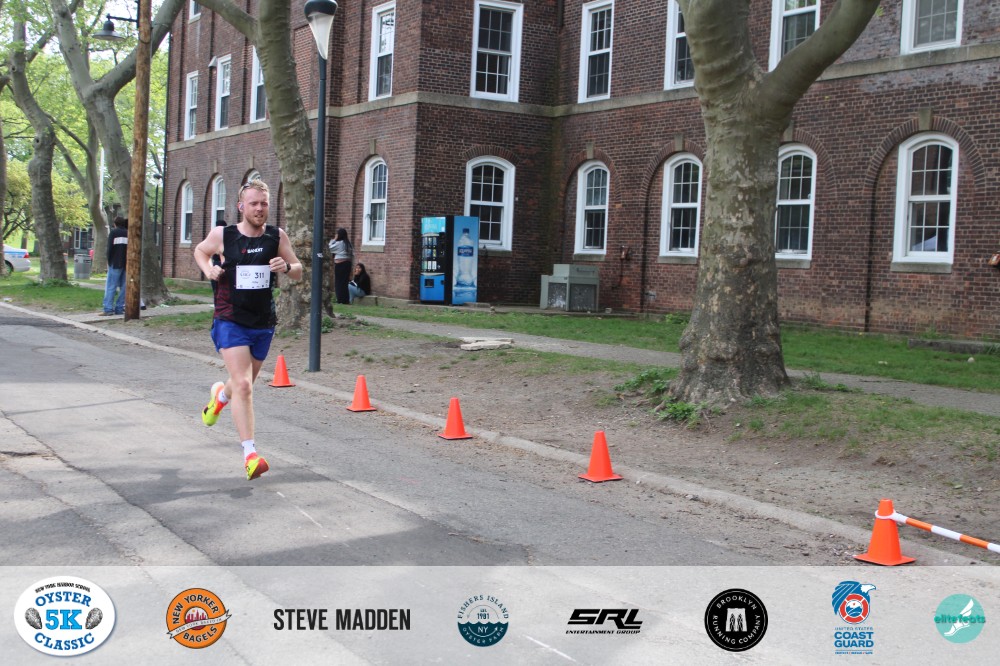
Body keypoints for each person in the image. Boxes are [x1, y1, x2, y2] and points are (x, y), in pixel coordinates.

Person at [193, 178, 302, 480]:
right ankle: (250, 455)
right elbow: (200, 251)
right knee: (243, 385)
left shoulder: (276, 236)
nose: (259, 208)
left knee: (242, 384)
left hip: (262, 322)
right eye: (253, 203)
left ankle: (219, 400)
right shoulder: (223, 235)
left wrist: (286, 267)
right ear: (241, 206)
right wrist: (209, 269)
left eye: (264, 203)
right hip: (229, 318)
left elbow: (298, 271)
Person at [101, 216, 128, 315]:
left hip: (115, 262)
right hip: (126, 264)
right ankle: (119, 308)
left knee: (111, 286)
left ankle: (108, 308)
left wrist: (109, 261)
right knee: (124, 287)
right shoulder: (128, 233)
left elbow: (110, 249)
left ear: (115, 224)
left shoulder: (114, 233)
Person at [328, 227, 353, 305]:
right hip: (347, 264)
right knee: (345, 282)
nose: (336, 235)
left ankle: (340, 299)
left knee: (339, 282)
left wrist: (334, 240)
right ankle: (345, 299)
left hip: (340, 265)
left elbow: (329, 247)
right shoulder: (348, 244)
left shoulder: (340, 243)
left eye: (337, 234)